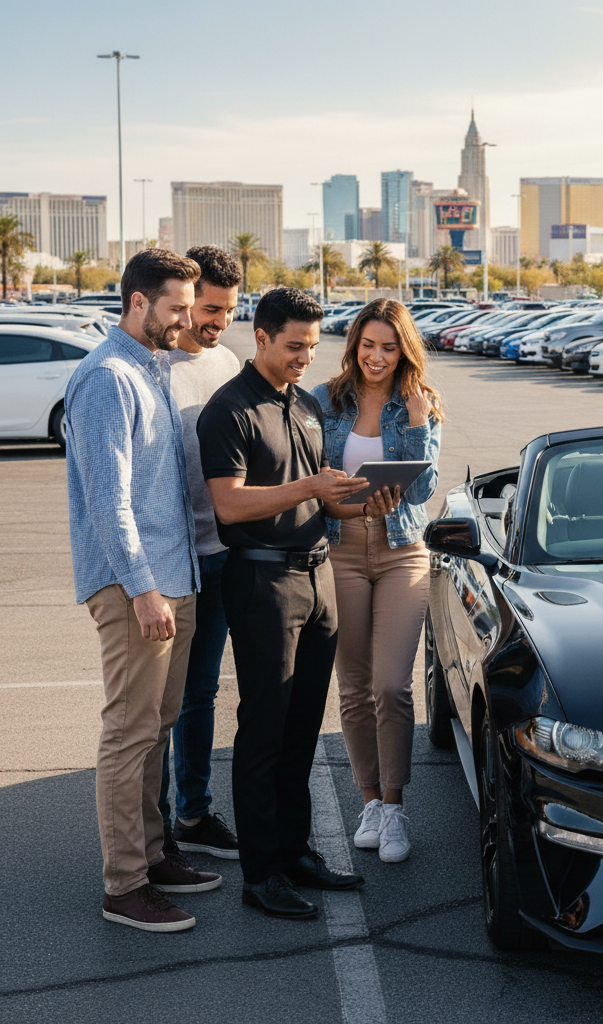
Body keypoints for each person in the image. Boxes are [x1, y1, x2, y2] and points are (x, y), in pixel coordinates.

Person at [197, 287, 368, 920]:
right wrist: (310, 486)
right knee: (264, 729)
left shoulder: (306, 405)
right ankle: (261, 873)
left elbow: (323, 500)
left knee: (303, 728)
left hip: (319, 576)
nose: (304, 357)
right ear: (261, 336)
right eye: (294, 346)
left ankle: (296, 853)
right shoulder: (229, 410)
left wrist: (364, 498)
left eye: (312, 347)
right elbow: (230, 505)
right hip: (262, 582)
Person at [65, 248, 221, 934]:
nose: (188, 319)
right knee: (128, 735)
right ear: (138, 302)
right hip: (139, 588)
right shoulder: (108, 378)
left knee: (157, 727)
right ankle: (124, 885)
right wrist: (142, 588)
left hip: (172, 576)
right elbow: (111, 498)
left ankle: (155, 857)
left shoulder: (150, 367)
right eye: (178, 306)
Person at [310, 298, 442, 864]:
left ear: (404, 350)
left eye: (389, 347)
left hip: (400, 551)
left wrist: (415, 426)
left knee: (393, 686)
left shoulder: (422, 404)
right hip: (340, 551)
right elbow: (306, 470)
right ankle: (368, 800)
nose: (377, 356)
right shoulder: (325, 399)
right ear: (354, 345)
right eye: (368, 345)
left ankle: (394, 810)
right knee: (355, 688)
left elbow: (420, 491)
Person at [158, 246, 243, 861]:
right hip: (169, 563)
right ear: (186, 301)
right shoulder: (151, 367)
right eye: (210, 309)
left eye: (229, 311)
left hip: (222, 553)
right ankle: (152, 827)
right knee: (158, 703)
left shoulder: (228, 363)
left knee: (201, 693)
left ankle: (193, 813)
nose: (218, 322)